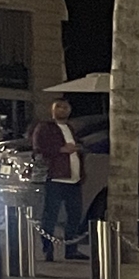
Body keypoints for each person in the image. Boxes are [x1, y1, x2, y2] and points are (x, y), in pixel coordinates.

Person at [32, 97, 86, 259]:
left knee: (74, 215)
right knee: (51, 215)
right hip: (55, 178)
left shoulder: (70, 128)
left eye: (65, 107)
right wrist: (61, 149)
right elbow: (38, 149)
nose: (62, 110)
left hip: (74, 180)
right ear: (52, 110)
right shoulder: (44, 128)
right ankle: (47, 249)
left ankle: (71, 249)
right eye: (58, 107)